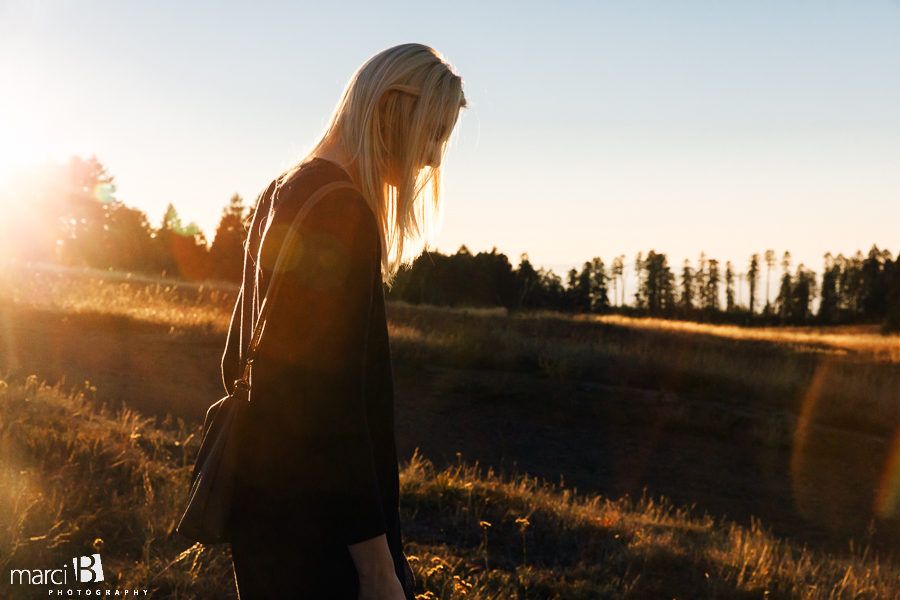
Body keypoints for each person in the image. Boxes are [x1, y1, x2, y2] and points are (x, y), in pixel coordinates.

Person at [220, 43, 466, 599]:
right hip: (323, 538)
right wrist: (377, 567)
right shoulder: (341, 211)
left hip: (264, 514)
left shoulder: (280, 191)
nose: (433, 158)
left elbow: (235, 358)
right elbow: (334, 409)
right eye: (433, 133)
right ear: (391, 111)